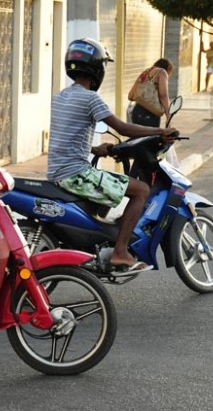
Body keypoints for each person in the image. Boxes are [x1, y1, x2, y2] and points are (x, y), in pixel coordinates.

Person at [47, 38, 177, 275]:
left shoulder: (60, 97)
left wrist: (97, 149)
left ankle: (97, 244)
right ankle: (120, 252)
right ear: (97, 68)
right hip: (75, 174)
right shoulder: (90, 98)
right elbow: (123, 128)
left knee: (108, 188)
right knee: (140, 191)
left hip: (58, 171)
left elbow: (67, 134)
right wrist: (161, 130)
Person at [128, 58, 174, 127]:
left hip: (136, 112)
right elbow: (163, 95)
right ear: (168, 68)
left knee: (138, 137)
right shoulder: (162, 72)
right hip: (150, 114)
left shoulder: (145, 73)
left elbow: (130, 96)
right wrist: (168, 117)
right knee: (151, 137)